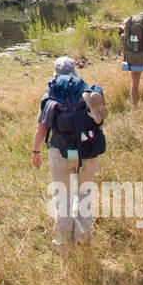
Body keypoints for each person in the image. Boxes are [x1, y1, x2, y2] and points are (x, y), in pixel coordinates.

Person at [33, 57, 107, 250]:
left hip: (62, 152)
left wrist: (36, 151)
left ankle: (63, 243)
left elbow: (41, 129)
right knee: (84, 193)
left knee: (63, 198)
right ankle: (82, 237)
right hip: (85, 152)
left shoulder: (49, 97)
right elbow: (99, 122)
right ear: (75, 72)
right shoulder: (88, 93)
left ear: (55, 74)